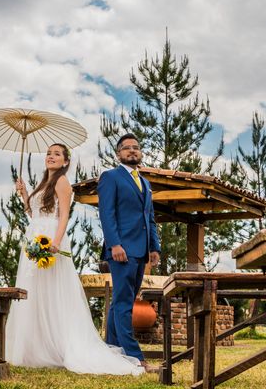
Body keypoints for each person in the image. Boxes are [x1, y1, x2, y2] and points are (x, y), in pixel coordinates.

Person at [5, 143, 144, 376]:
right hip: (34, 238)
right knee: (35, 291)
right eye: (48, 154)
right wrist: (24, 194)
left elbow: (64, 216)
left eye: (56, 154)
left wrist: (55, 242)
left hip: (51, 240)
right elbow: (34, 213)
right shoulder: (44, 183)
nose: (51, 157)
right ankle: (37, 346)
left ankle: (60, 345)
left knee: (52, 291)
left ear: (65, 162)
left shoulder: (62, 182)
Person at [97, 133, 161, 373]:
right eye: (127, 148)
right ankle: (136, 358)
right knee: (125, 304)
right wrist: (114, 244)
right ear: (118, 153)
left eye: (136, 147)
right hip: (121, 250)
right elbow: (107, 213)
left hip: (141, 250)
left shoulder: (145, 183)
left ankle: (112, 350)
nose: (132, 151)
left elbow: (150, 218)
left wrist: (154, 247)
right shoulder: (110, 177)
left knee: (120, 303)